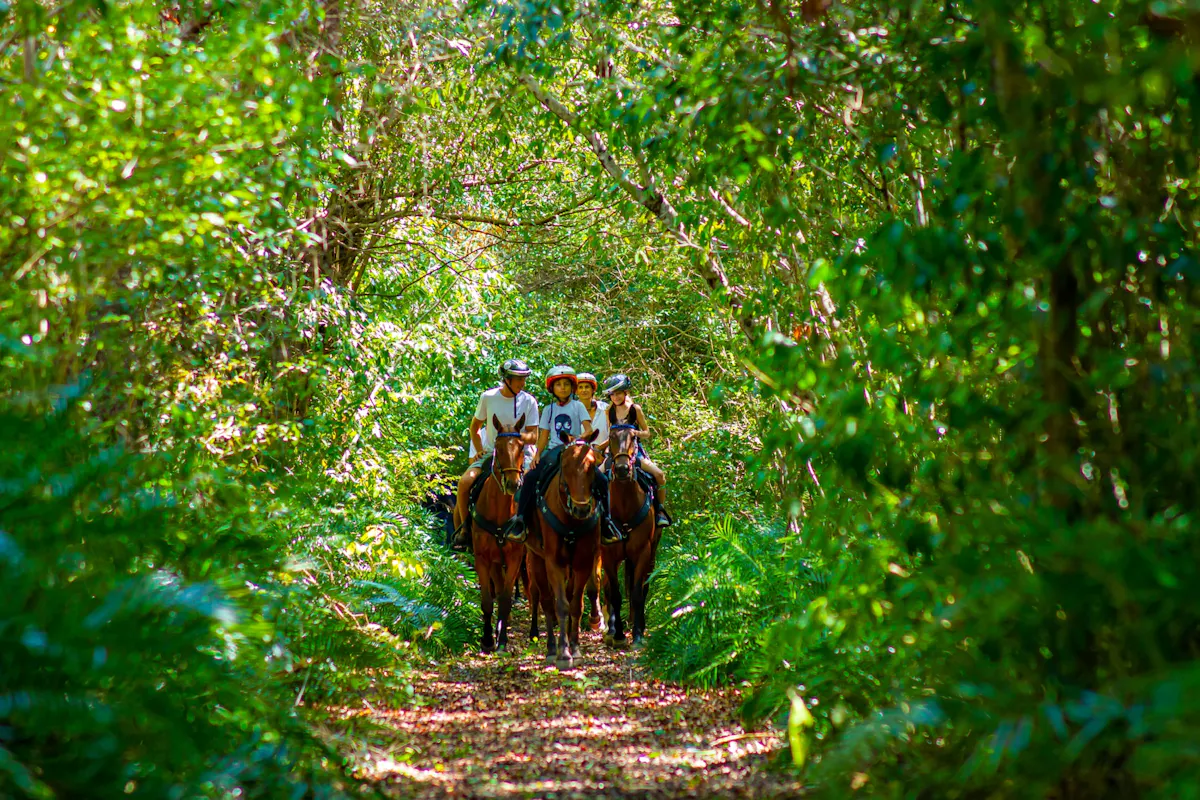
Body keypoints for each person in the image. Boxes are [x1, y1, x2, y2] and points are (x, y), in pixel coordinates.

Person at [449, 358, 539, 552]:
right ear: (507, 379)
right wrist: (478, 449)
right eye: (519, 379)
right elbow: (475, 427)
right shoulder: (488, 397)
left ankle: (533, 532)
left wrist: (515, 438)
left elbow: (534, 436)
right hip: (492, 453)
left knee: (537, 486)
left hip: (521, 455)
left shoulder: (529, 401)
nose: (523, 383)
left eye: (524, 379)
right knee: (464, 483)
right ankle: (464, 530)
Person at [503, 365, 594, 540]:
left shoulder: (578, 406)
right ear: (552, 388)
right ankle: (521, 519)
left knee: (601, 479)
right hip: (554, 450)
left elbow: (588, 429)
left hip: (575, 450)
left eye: (566, 384)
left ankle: (606, 521)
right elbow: (544, 435)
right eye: (559, 385)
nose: (563, 388)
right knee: (530, 478)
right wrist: (537, 455)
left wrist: (578, 439)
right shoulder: (548, 409)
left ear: (572, 387)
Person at [601, 373, 671, 537]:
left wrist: (635, 433)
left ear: (625, 392)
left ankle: (659, 511)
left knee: (659, 475)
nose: (616, 397)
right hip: (615, 453)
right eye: (612, 395)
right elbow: (611, 434)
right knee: (595, 476)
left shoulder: (635, 409)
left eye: (619, 393)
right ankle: (598, 514)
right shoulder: (609, 411)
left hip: (634, 453)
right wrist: (600, 447)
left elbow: (647, 432)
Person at [576, 372, 609, 454]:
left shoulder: (605, 408)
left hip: (606, 454)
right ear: (576, 391)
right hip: (579, 456)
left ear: (593, 390)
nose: (584, 390)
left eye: (587, 387)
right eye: (580, 387)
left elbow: (614, 433)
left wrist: (600, 448)